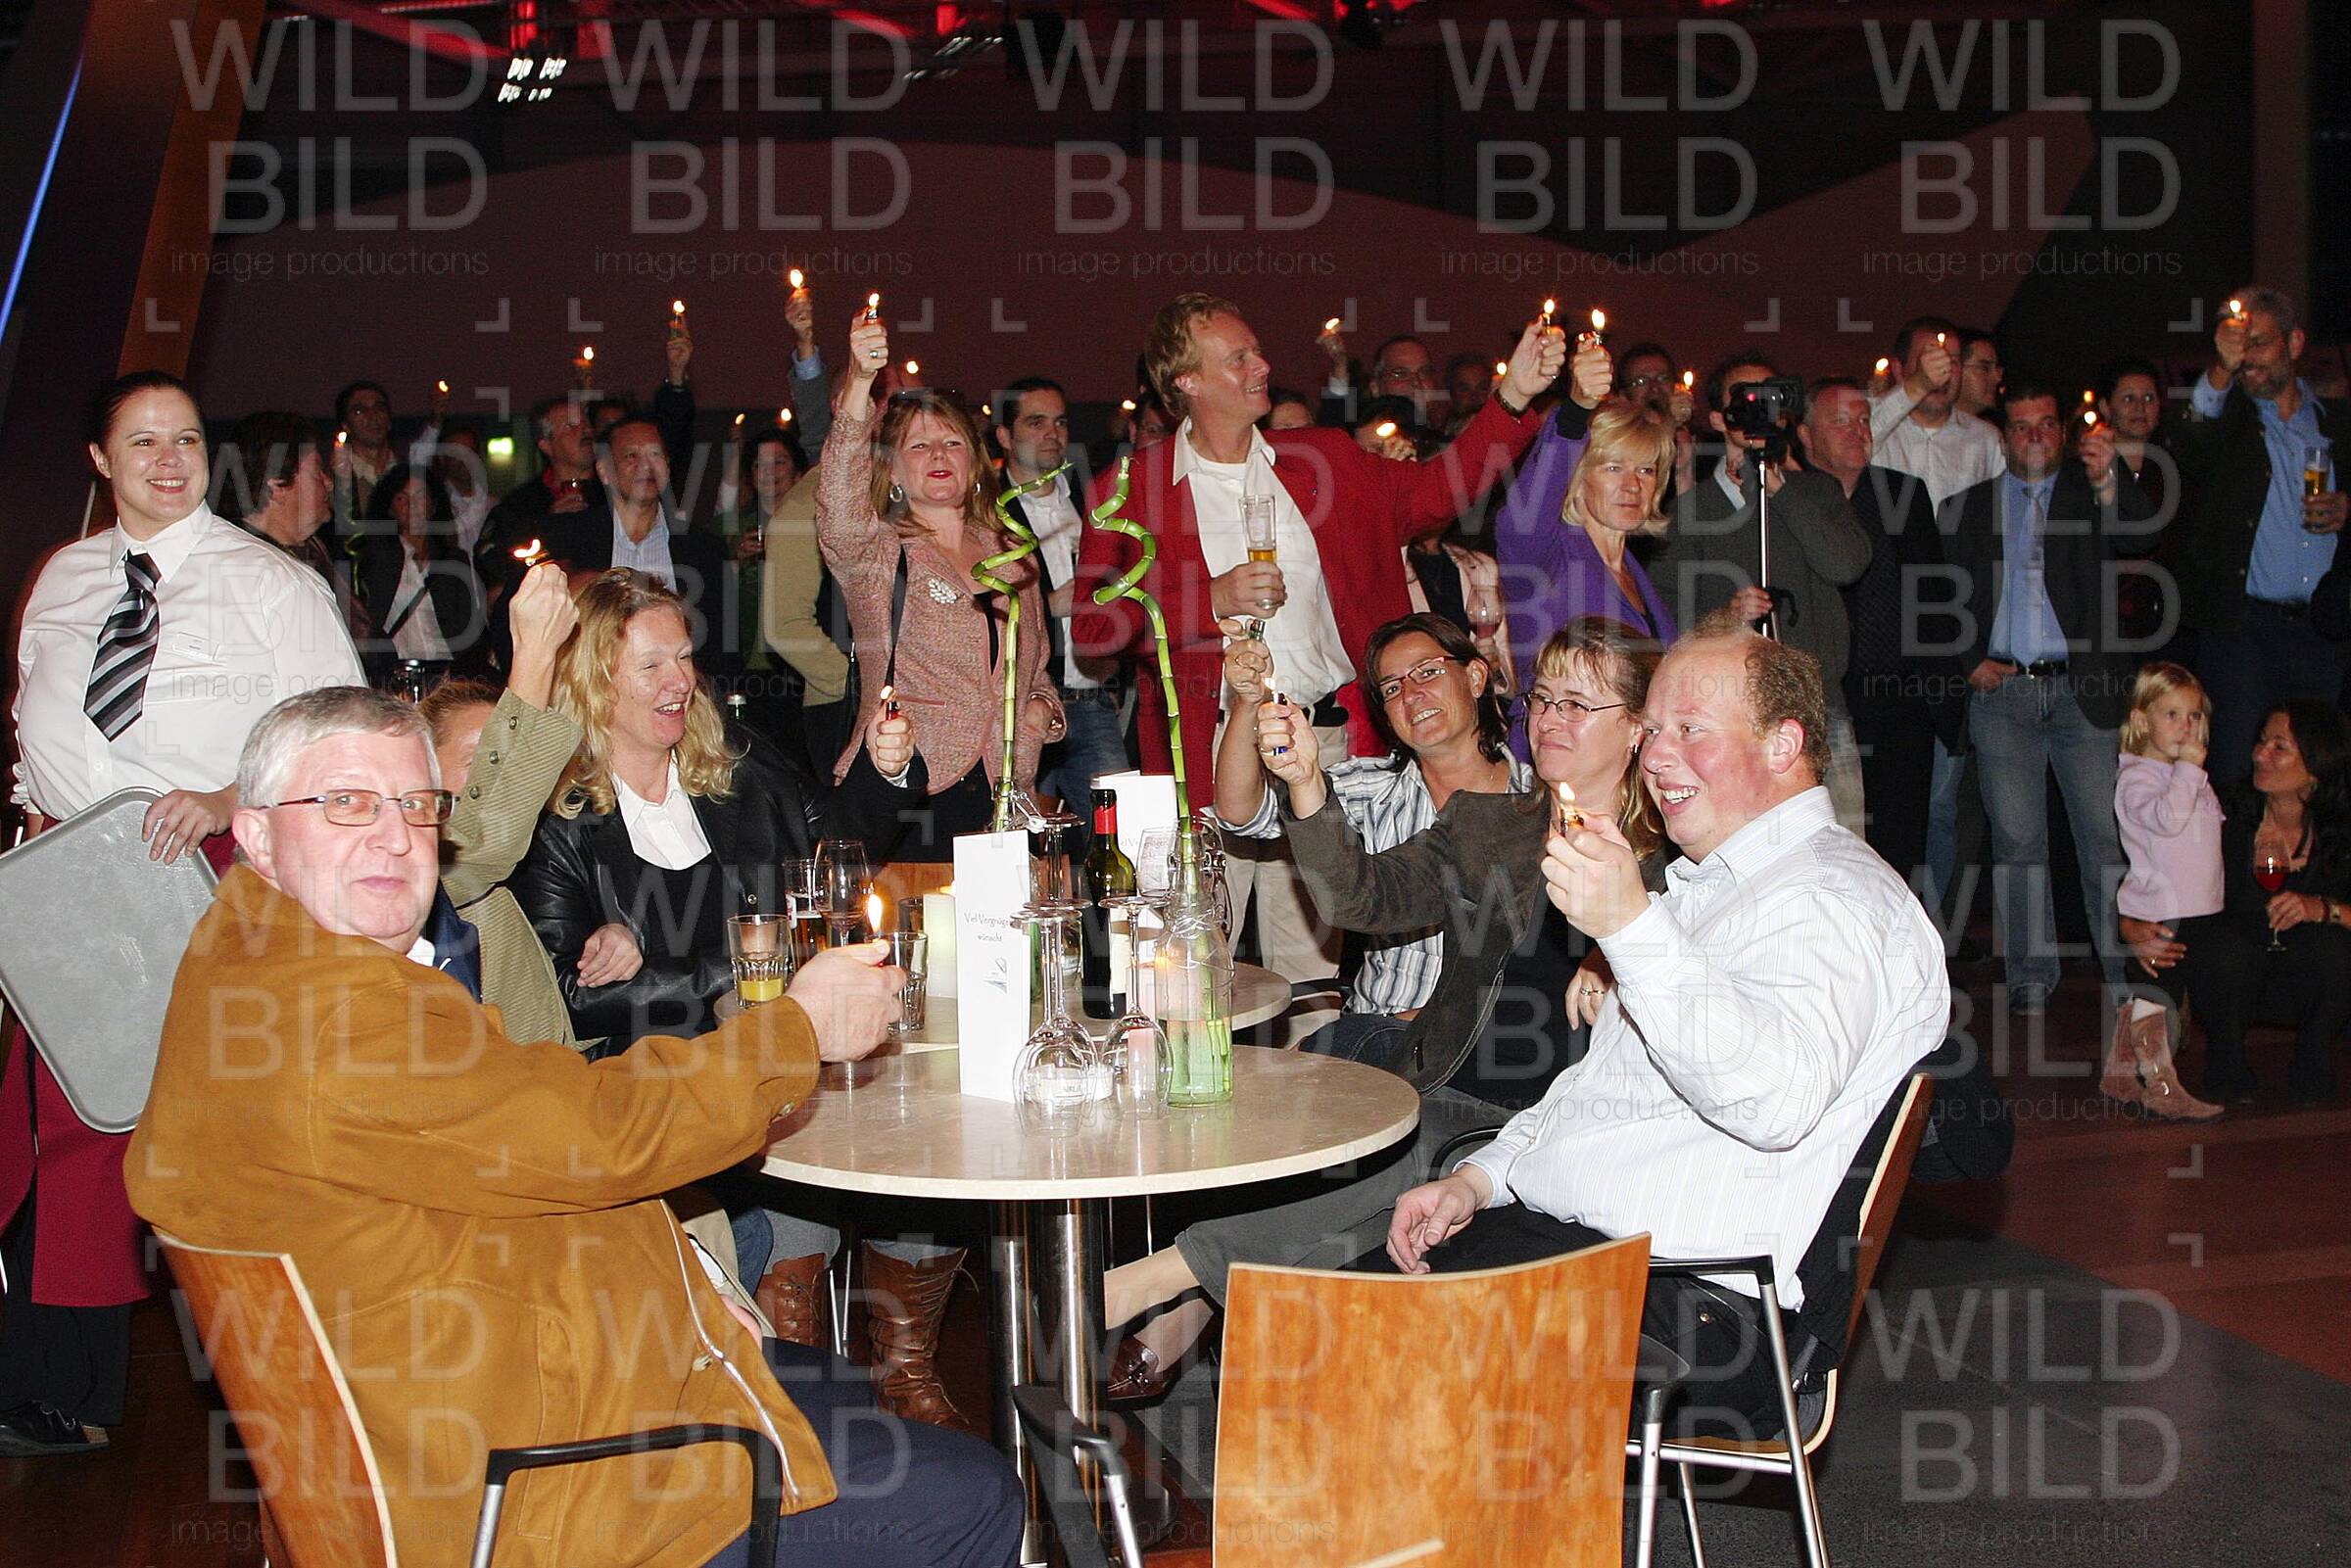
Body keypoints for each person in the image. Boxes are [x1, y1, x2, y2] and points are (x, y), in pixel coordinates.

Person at [124, 687, 1023, 1567]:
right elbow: (603, 1132)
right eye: (347, 803)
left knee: (832, 1385)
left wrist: (685, 1285)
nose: (395, 836)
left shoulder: (243, 960)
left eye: (417, 804)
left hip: (449, 1423)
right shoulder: (341, 1016)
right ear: (256, 836)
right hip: (532, 1493)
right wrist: (798, 1030)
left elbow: (521, 1149)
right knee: (975, 1492)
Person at [1378, 619, 1948, 1436]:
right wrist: (1479, 1180)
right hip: (1601, 1263)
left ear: (1783, 745)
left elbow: (1775, 1100)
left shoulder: (1832, 898)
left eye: (1691, 730)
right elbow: (1592, 1091)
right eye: (1653, 730)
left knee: (1341, 1350)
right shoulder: (1707, 890)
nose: (1656, 756)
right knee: (1319, 1313)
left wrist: (1632, 928)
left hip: (1696, 1307)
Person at [1104, 617, 1661, 1399]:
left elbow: (1684, 954)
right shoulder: (1492, 826)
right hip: (1451, 1081)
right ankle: (1211, 1310)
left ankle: (1160, 1279)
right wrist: (1306, 784)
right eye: (1543, 699)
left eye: (1578, 704)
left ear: (1637, 727)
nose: (1549, 719)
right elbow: (1359, 896)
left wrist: (1618, 953)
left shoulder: (1673, 852)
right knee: (1382, 1146)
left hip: (1555, 1118)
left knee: (1416, 1146)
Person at [2, 371, 362, 1456]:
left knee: (219, 1127)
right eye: (143, 442)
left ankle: (297, 1384)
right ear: (100, 460)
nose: (169, 461)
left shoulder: (274, 586)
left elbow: (340, 744)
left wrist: (225, 794)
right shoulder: (61, 578)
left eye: (188, 440)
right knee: (58, 1127)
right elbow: (33, 726)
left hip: (203, 876)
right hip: (71, 883)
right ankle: (56, 1388)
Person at [507, 572, 964, 1419]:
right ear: (593, 680)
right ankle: (798, 1397)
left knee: (924, 1138)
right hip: (668, 1090)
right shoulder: (557, 819)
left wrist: (886, 768)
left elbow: (837, 855)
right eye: (650, 665)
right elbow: (575, 998)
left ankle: (904, 1373)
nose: (678, 681)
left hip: (797, 1058)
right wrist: (748, 966)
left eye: (684, 658)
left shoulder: (738, 768)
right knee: (789, 1209)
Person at [1069, 291, 1558, 1026]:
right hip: (1209, 752)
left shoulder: (1320, 460)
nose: (1262, 365)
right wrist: (1209, 596)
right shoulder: (1131, 487)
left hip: (1324, 745)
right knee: (1188, 974)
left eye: (1258, 351)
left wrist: (1513, 395)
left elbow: (1437, 490)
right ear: (1186, 381)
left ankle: (1322, 1096)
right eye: (1238, 358)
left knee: (1312, 978)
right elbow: (1092, 627)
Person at [1212, 611, 1532, 1046]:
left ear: (1475, 678)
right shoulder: (1372, 788)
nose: (1412, 695)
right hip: (1378, 1030)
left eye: (1428, 672)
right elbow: (1240, 813)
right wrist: (1248, 703)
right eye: (1393, 688)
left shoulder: (1537, 803)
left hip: (1495, 1038)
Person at [1943, 382, 2155, 1015]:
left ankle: (2124, 970)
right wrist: (1967, 660)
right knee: (2017, 843)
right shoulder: (1966, 508)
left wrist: (2111, 477)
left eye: (2045, 424)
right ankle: (2031, 973)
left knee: (2103, 840)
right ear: (2003, 436)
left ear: (2062, 432)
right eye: (2021, 426)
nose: (2034, 436)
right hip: (2003, 694)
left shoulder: (2092, 495)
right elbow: (1938, 595)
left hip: (2082, 691)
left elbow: (2140, 533)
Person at [820, 312, 1062, 858]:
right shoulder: (878, 554)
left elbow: (1038, 667)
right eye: (918, 446)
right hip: (913, 792)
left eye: (952, 442)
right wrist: (860, 381)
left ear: (974, 464)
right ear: (893, 472)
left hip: (1008, 794)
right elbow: (837, 500)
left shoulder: (1013, 551)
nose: (937, 455)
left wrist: (1041, 712)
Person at [1654, 353, 1873, 833]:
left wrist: (1779, 487)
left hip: (1819, 706)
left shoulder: (1816, 492)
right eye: (1745, 399)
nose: (1758, 409)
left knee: (1841, 841)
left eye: (1768, 397)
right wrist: (1725, 617)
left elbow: (1847, 564)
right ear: (1718, 419)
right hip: (1728, 714)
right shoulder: (1688, 511)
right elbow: (1665, 611)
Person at [2169, 286, 2349, 784]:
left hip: (2324, 628)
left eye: (2259, 343)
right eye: (2237, 346)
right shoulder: (2231, 421)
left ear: (2294, 343)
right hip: (2244, 629)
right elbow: (2187, 438)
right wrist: (2219, 370)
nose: (2247, 358)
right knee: (2238, 769)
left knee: (2317, 774)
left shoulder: (2336, 423)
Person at [2128, 701, 2351, 1105]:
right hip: (2231, 974)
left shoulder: (2340, 828)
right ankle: (2225, 1065)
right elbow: (2153, 867)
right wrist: (2130, 925)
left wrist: (2323, 909)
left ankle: (2313, 1065)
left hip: (2305, 976)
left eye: (2279, 747)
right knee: (2225, 948)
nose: (2260, 754)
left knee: (2333, 947)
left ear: (2317, 766)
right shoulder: (2224, 810)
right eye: (2261, 741)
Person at [413, 559, 584, 1049]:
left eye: (499, 754)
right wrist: (534, 654)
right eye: (481, 758)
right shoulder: (413, 866)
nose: (495, 772)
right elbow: (481, 841)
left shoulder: (547, 840)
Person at [1802, 378, 1953, 896]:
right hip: (1825, 699)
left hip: (1901, 698)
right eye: (1840, 421)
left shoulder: (1903, 494)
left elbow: (1934, 599)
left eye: (1864, 420)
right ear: (1806, 435)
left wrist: (1940, 692)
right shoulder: (1790, 498)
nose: (1858, 431)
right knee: (1832, 843)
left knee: (1901, 840)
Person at [1492, 339, 1676, 716]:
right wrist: (1576, 411)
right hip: (1556, 742)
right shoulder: (1547, 558)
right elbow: (1522, 517)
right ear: (1576, 479)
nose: (1632, 485)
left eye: (1645, 469)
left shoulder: (1637, 574)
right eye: (1613, 467)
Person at [997, 377, 1128, 821]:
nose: (1051, 434)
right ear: (1005, 436)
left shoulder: (1092, 501)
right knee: (1017, 835)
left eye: (1060, 422)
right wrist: (1049, 605)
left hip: (1091, 698)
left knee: (1119, 827)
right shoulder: (989, 512)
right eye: (1036, 423)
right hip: (1022, 705)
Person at [2105, 664, 2226, 1119]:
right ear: (2142, 721)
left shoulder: (2185, 775)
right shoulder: (2138, 778)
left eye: (2194, 716)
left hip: (2193, 907)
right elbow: (2168, 820)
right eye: (2172, 715)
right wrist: (2190, 771)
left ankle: (2120, 1075)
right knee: (2157, 998)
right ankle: (2160, 1084)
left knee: (2157, 992)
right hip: (2160, 909)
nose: (2186, 726)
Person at [539, 415, 738, 680]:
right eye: (631, 456)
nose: (646, 466)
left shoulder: (704, 550)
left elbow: (724, 649)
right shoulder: (566, 540)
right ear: (604, 471)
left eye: (655, 455)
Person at [355, 461, 487, 684]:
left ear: (433, 504)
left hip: (447, 674)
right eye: (401, 498)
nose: (411, 505)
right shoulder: (376, 559)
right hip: (397, 673)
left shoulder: (454, 561)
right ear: (390, 508)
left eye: (420, 497)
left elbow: (470, 626)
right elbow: (368, 621)